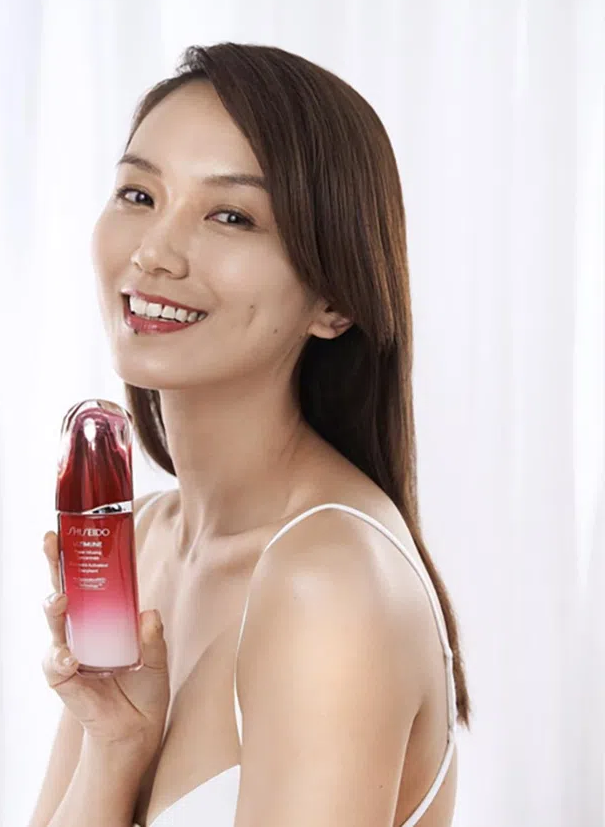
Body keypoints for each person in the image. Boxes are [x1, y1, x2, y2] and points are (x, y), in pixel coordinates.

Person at [28, 42, 471, 827]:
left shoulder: (328, 582)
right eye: (138, 194)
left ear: (334, 300)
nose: (153, 252)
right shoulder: (145, 540)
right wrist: (113, 746)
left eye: (231, 216)